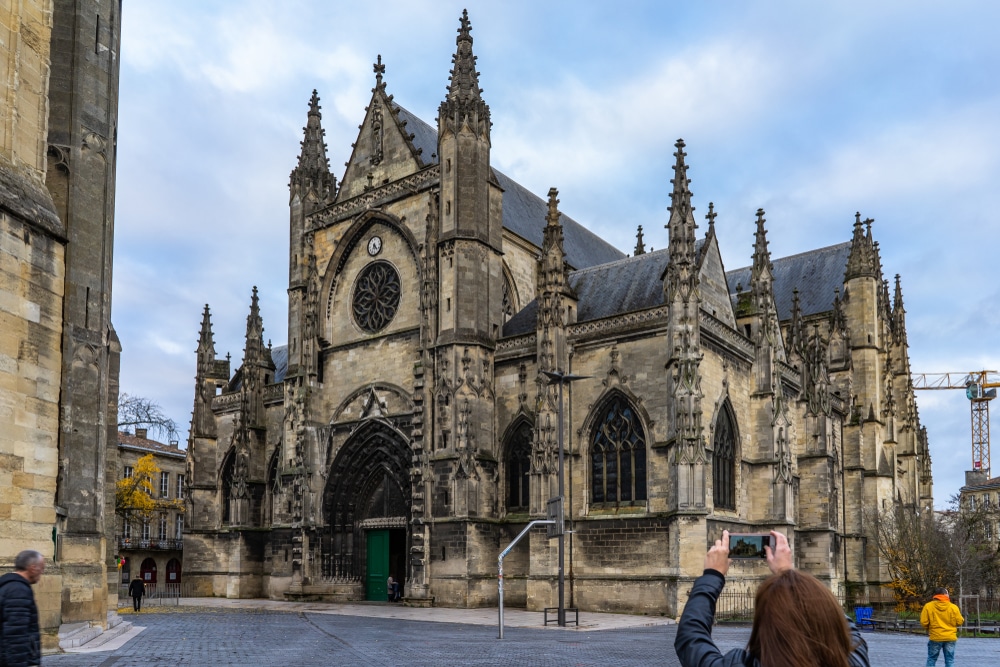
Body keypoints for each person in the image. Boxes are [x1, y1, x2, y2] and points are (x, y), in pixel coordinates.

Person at [674, 530, 869, 667]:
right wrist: (788, 574)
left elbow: (691, 637)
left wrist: (712, 575)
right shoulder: (854, 659)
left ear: (764, 626)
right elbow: (845, 629)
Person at [0, 549, 45, 667]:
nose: (42, 572)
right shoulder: (18, 591)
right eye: (41, 568)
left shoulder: (10, 586)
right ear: (32, 568)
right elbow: (16, 635)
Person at [920, 587, 963, 667]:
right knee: (949, 660)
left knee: (931, 659)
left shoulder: (928, 606)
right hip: (950, 637)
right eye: (947, 593)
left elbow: (924, 622)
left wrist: (929, 628)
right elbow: (960, 621)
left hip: (935, 637)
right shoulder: (953, 607)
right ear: (944, 594)